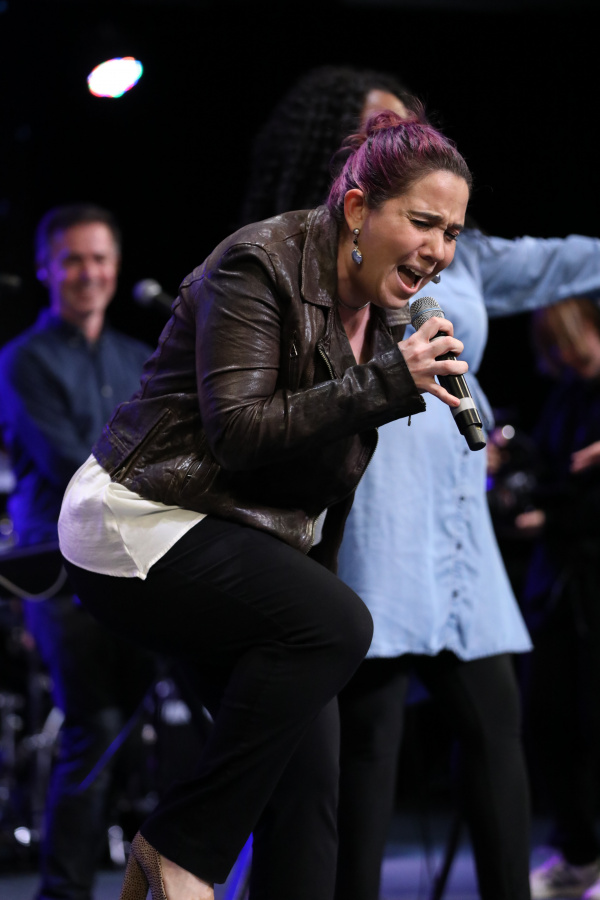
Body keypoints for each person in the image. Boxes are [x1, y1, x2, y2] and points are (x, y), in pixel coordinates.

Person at [57, 110, 472, 900]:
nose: (439, 250)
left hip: (229, 533)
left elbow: (323, 489)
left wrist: (312, 594)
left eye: (451, 233)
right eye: (423, 223)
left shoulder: (383, 319)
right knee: (339, 624)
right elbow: (241, 431)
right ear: (358, 209)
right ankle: (180, 848)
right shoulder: (259, 263)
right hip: (137, 518)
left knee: (307, 779)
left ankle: (183, 853)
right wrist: (388, 383)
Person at [240, 65, 600, 900]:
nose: (402, 143)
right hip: (375, 521)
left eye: (411, 127)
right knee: (370, 749)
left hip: (459, 528)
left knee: (498, 736)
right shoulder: (309, 258)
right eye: (377, 132)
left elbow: (570, 262)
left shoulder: (461, 260)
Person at [0, 204, 157, 900]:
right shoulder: (22, 360)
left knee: (147, 730)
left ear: (115, 267)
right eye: (72, 259)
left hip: (137, 565)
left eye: (99, 258)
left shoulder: (137, 355)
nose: (87, 272)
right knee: (94, 728)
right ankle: (61, 892)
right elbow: (74, 464)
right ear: (45, 269)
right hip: (57, 573)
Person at [517, 298, 600, 900]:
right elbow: (551, 474)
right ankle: (580, 854)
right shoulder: (567, 396)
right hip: (561, 584)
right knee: (547, 718)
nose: (566, 357)